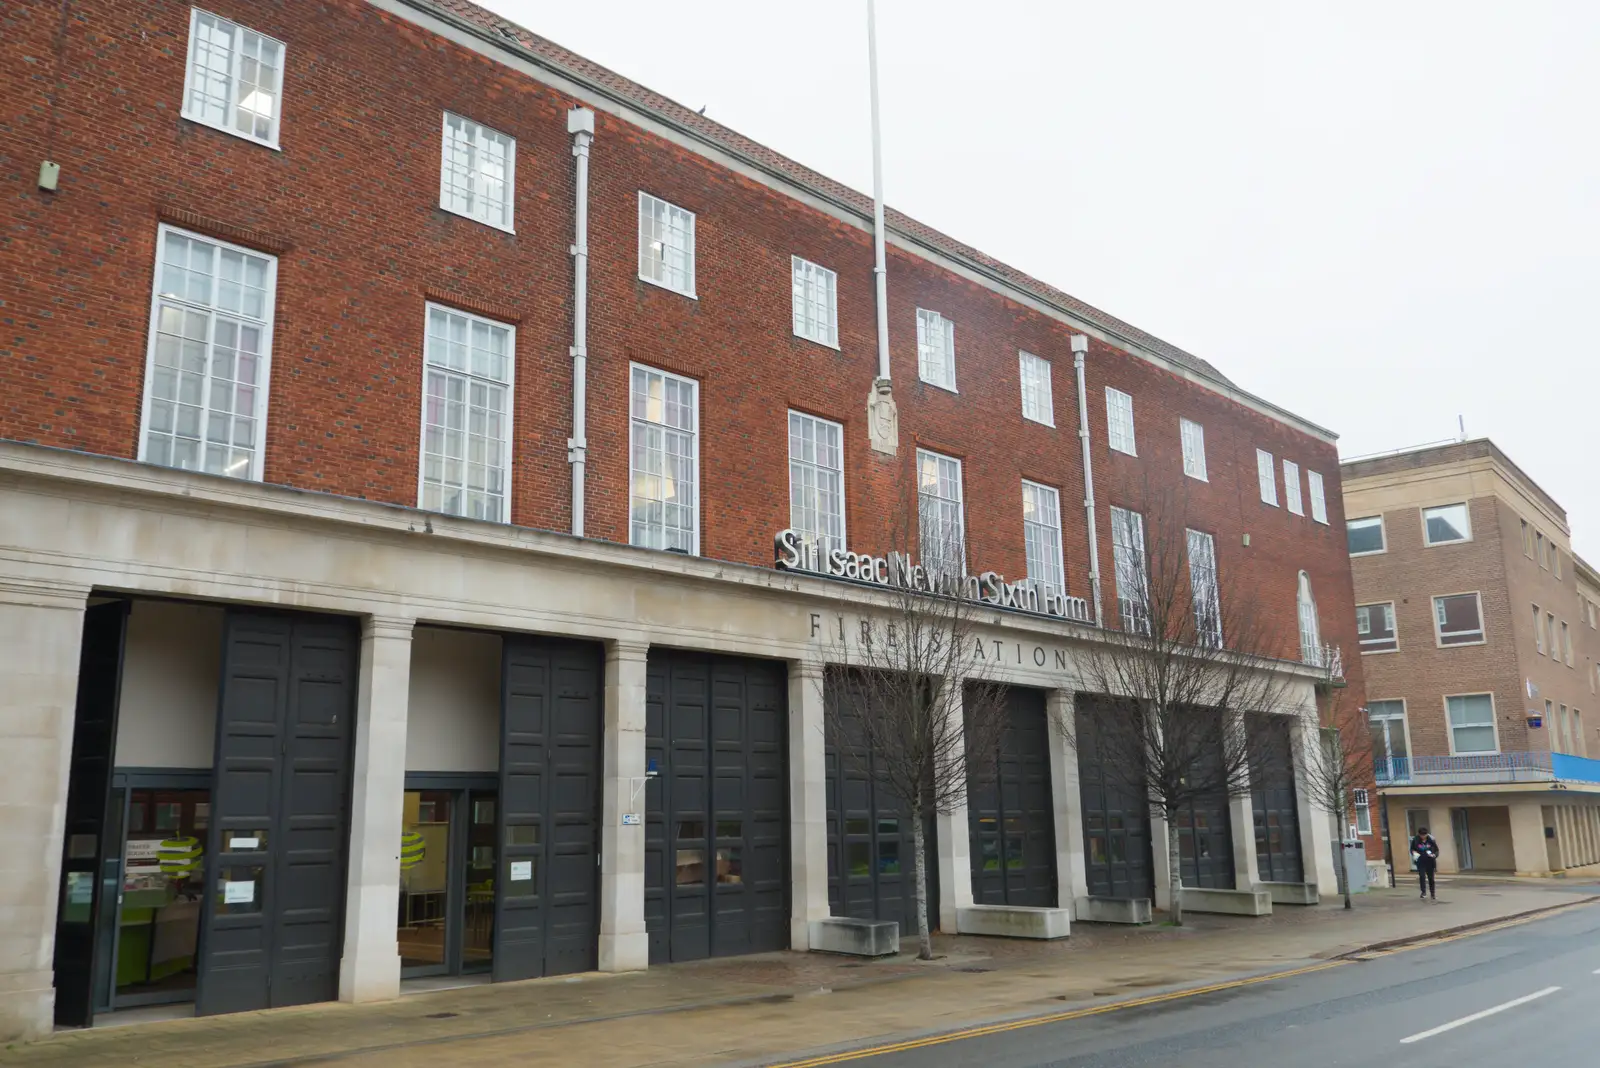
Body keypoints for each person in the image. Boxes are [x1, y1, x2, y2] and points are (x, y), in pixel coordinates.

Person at [1410, 827, 1440, 900]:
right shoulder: (1416, 840)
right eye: (1421, 835)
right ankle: (1423, 892)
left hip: (1430, 862)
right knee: (1422, 876)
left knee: (1431, 878)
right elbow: (1412, 849)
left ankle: (1433, 893)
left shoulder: (1431, 840)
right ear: (1419, 835)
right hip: (1421, 861)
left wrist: (1434, 855)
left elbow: (1437, 850)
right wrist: (1414, 852)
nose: (1423, 837)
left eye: (1424, 835)